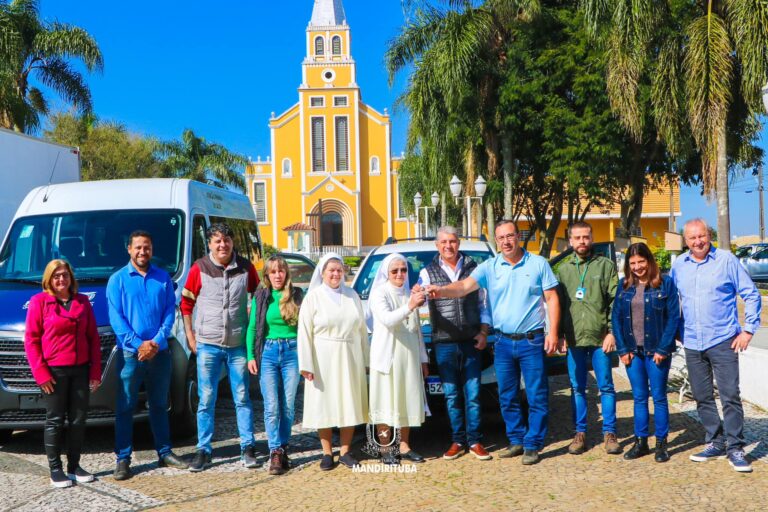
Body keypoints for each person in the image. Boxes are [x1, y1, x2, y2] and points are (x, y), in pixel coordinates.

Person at [426, 220, 560, 465]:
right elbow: (464, 287)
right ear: (496, 241)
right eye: (501, 238)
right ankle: (516, 439)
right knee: (507, 395)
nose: (506, 241)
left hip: (532, 340)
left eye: (510, 236)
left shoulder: (538, 264)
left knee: (536, 394)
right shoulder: (489, 267)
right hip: (502, 343)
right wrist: (441, 291)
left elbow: (551, 298)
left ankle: (533, 444)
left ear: (518, 236)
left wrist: (553, 333)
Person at [670, 218, 761, 473]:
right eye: (692, 238)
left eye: (702, 236)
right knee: (701, 396)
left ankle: (735, 447)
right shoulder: (679, 265)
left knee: (730, 395)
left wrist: (748, 330)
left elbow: (751, 294)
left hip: (723, 340)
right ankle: (715, 441)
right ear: (685, 241)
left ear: (708, 235)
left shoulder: (726, 260)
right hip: (692, 342)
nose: (698, 242)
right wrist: (677, 330)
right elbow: (671, 300)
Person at [107, 230, 188, 481]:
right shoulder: (117, 280)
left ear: (152, 250)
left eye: (147, 247)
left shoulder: (163, 278)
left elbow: (168, 313)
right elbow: (116, 319)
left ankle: (164, 452)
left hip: (159, 353)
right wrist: (138, 344)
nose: (143, 252)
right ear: (129, 249)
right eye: (138, 247)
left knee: (159, 405)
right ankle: (123, 458)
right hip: (131, 355)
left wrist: (156, 342)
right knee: (126, 406)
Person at [181, 223, 260, 472]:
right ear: (210, 244)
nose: (222, 245)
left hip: (237, 345)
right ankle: (203, 450)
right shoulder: (199, 268)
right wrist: (190, 336)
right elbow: (186, 304)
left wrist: (252, 328)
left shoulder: (246, 268)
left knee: (242, 397)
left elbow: (259, 299)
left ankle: (248, 447)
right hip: (208, 345)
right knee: (206, 399)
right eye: (217, 241)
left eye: (226, 240)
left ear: (232, 242)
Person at [414, 226, 493, 461]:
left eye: (453, 241)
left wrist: (483, 332)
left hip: (471, 341)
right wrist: (417, 292)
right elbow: (418, 299)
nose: (448, 246)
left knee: (474, 393)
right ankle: (458, 440)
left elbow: (484, 305)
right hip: (444, 342)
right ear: (437, 246)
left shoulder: (474, 269)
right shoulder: (428, 272)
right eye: (444, 242)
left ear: (459, 243)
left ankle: (475, 441)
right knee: (451, 395)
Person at [24, 260, 102, 488]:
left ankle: (74, 466)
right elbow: (31, 340)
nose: (61, 280)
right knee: (55, 420)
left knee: (78, 420)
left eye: (65, 275)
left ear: (71, 278)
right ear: (49, 279)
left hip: (80, 369)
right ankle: (55, 469)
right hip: (53, 372)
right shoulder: (39, 302)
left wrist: (95, 371)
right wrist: (41, 374)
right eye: (56, 276)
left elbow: (93, 339)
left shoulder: (82, 301)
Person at [298, 253, 369, 470]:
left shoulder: (352, 295)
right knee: (324, 404)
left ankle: (346, 451)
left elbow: (361, 331)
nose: (336, 274)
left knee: (349, 402)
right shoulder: (313, 297)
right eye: (332, 270)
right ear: (323, 273)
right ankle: (327, 452)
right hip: (322, 357)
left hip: (350, 355)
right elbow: (304, 333)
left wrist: (366, 359)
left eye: (339, 270)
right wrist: (306, 364)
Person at [556, 221, 620, 455]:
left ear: (591, 238)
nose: (582, 241)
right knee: (577, 388)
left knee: (606, 387)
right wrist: (560, 335)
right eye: (577, 238)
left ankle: (610, 432)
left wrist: (612, 331)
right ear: (570, 241)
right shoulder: (563, 270)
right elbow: (559, 306)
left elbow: (615, 301)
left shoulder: (605, 266)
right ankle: (580, 432)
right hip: (573, 340)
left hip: (600, 338)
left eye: (586, 237)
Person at [612, 243, 680, 462]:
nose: (638, 267)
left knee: (659, 397)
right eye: (632, 263)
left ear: (649, 261)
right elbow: (616, 319)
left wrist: (663, 348)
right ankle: (640, 442)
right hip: (633, 352)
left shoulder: (665, 283)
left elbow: (673, 318)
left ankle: (661, 444)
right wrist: (622, 349)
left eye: (641, 261)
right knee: (639, 398)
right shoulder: (623, 286)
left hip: (656, 352)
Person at [368, 253, 428, 465]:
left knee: (406, 400)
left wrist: (423, 359)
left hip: (409, 355)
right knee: (385, 401)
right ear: (387, 273)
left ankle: (404, 445)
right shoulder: (379, 293)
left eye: (403, 270)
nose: (400, 274)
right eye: (395, 271)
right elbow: (387, 319)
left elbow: (416, 329)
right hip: (387, 355)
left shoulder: (409, 293)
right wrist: (411, 305)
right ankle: (385, 448)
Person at [245, 255, 303, 475]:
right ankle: (275, 451)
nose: (277, 275)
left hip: (292, 351)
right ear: (267, 275)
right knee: (271, 406)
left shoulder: (297, 294)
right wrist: (251, 356)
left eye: (281, 271)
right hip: (268, 352)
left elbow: (305, 328)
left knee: (287, 406)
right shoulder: (261, 296)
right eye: (273, 272)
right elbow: (252, 328)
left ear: (286, 273)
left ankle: (284, 445)